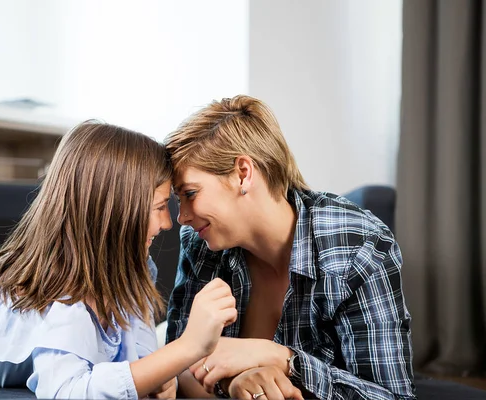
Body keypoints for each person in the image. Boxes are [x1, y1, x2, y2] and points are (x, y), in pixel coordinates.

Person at [0, 121, 237, 399]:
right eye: (159, 206)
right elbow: (66, 389)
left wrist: (159, 377)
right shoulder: (66, 299)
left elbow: (140, 358)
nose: (168, 223)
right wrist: (189, 347)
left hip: (1, 284)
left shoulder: (130, 267)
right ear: (115, 213)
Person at [164, 95, 416, 400]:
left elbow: (392, 395)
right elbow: (176, 370)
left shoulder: (357, 246)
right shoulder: (200, 244)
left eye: (190, 193)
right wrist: (231, 385)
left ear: (243, 173)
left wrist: (282, 359)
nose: (183, 217)